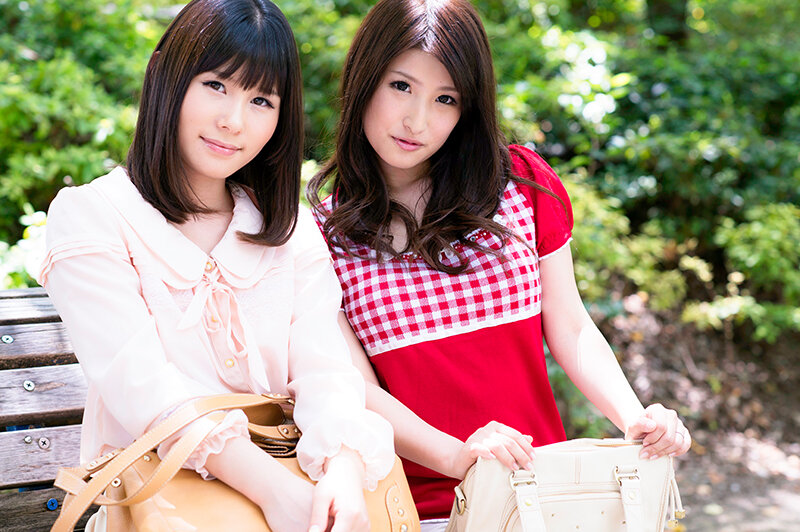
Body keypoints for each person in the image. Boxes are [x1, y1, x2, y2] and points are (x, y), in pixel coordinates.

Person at [307, 0, 692, 530]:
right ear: (363, 80)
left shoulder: (519, 187)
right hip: (418, 511)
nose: (417, 120)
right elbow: (353, 389)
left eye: (445, 99)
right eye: (401, 87)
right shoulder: (319, 235)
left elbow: (570, 324)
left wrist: (635, 418)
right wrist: (458, 456)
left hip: (545, 495)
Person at [37, 1, 394, 531]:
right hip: (168, 510)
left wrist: (342, 469)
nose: (234, 121)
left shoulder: (289, 230)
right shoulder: (93, 216)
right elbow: (143, 388)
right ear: (166, 76)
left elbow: (326, 370)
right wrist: (276, 493)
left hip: (304, 497)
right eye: (216, 85)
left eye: (261, 100)